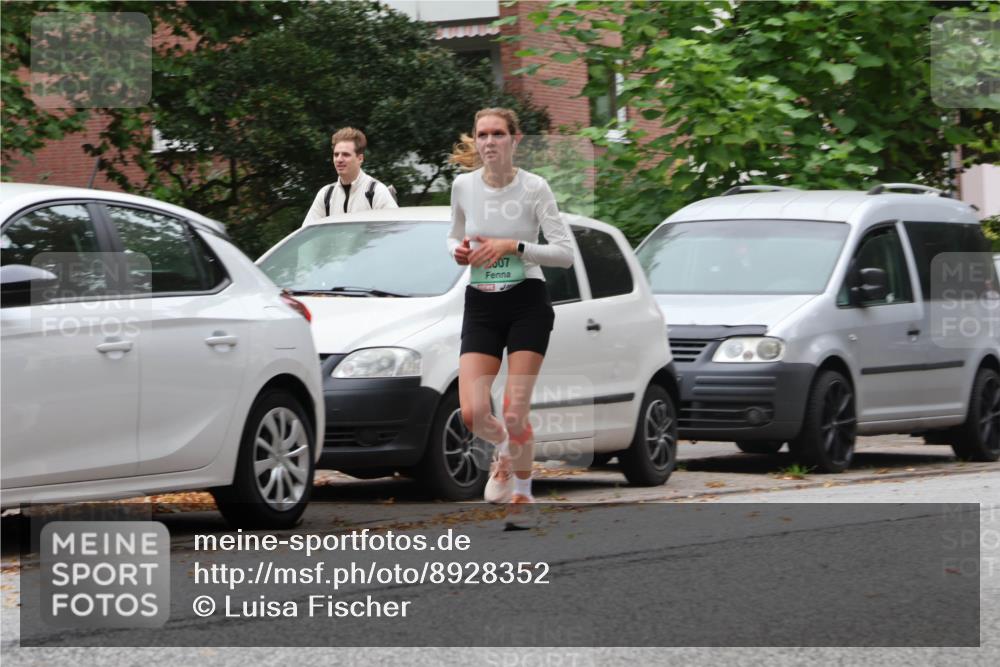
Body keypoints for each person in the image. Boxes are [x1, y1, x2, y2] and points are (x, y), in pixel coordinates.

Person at [446, 107, 574, 520]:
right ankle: (503, 446)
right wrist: (459, 252)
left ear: (514, 140)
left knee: (516, 409)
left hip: (526, 300)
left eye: (498, 134)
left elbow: (564, 255)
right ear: (475, 140)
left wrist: (512, 247)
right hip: (481, 302)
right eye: (482, 134)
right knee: (472, 412)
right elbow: (453, 235)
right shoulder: (463, 186)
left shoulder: (535, 188)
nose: (489, 142)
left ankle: (522, 492)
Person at [301, 127, 397, 226]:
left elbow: (394, 233)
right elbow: (306, 232)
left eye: (345, 155)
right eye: (336, 154)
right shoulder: (326, 195)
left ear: (360, 158)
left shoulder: (376, 192)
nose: (339, 159)